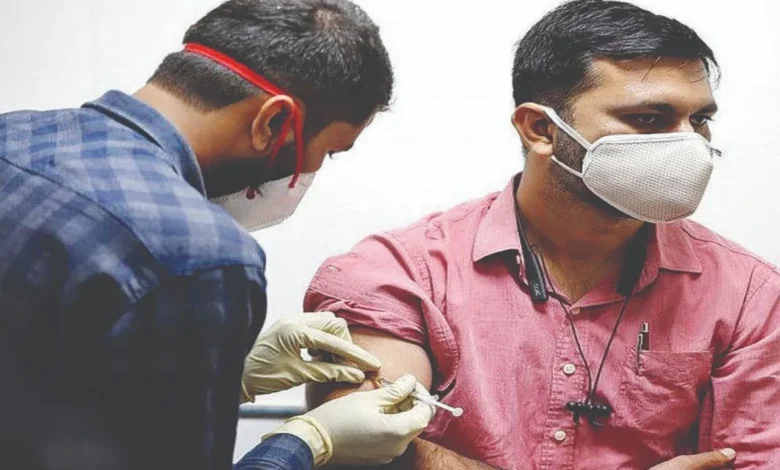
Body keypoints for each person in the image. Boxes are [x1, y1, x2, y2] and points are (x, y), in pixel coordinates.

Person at [303, 1, 780, 469]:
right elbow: (368, 449)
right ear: (540, 129)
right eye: (649, 119)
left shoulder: (748, 294)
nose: (689, 145)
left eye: (699, 120)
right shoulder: (400, 274)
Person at [0, 1, 435, 469]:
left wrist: (232, 376)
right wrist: (309, 439)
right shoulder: (202, 255)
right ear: (273, 121)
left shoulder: (12, 135)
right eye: (330, 151)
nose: (314, 172)